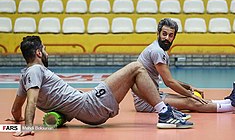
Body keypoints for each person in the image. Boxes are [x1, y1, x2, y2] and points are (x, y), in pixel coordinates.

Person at [6, 36, 194, 137]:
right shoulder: (36, 71)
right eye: (44, 49)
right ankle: (164, 113)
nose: (46, 52)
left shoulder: (25, 76)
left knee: (134, 76)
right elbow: (31, 99)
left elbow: (16, 109)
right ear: (38, 52)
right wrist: (29, 126)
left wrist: (18, 120)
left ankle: (164, 109)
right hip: (90, 105)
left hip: (87, 109)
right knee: (137, 67)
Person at [131, 18, 235, 114]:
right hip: (146, 101)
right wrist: (189, 94)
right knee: (190, 101)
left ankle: (229, 102)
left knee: (191, 99)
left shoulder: (159, 49)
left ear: (174, 37)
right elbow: (169, 82)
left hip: (151, 95)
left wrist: (189, 87)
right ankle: (234, 107)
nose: (167, 38)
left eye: (171, 35)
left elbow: (168, 79)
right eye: (164, 34)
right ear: (158, 33)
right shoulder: (157, 51)